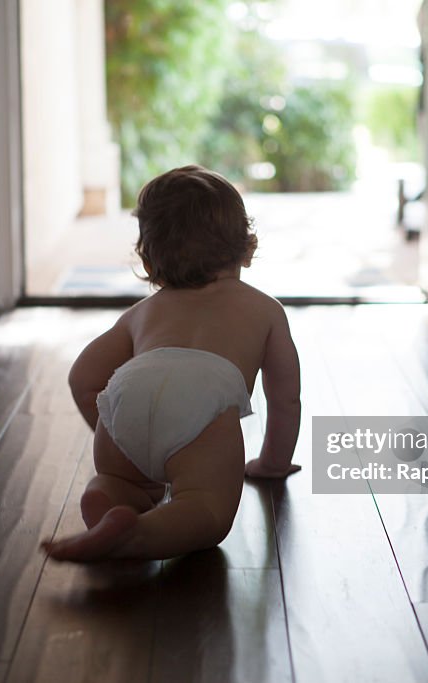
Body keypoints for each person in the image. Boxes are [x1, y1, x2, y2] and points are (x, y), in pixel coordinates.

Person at [42, 165, 302, 562]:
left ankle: (111, 495)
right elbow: (285, 399)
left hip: (129, 395)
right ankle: (139, 534)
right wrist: (272, 462)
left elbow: (83, 378)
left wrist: (118, 427)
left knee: (117, 480)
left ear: (149, 263)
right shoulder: (264, 310)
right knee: (206, 512)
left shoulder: (142, 313)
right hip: (200, 404)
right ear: (247, 248)